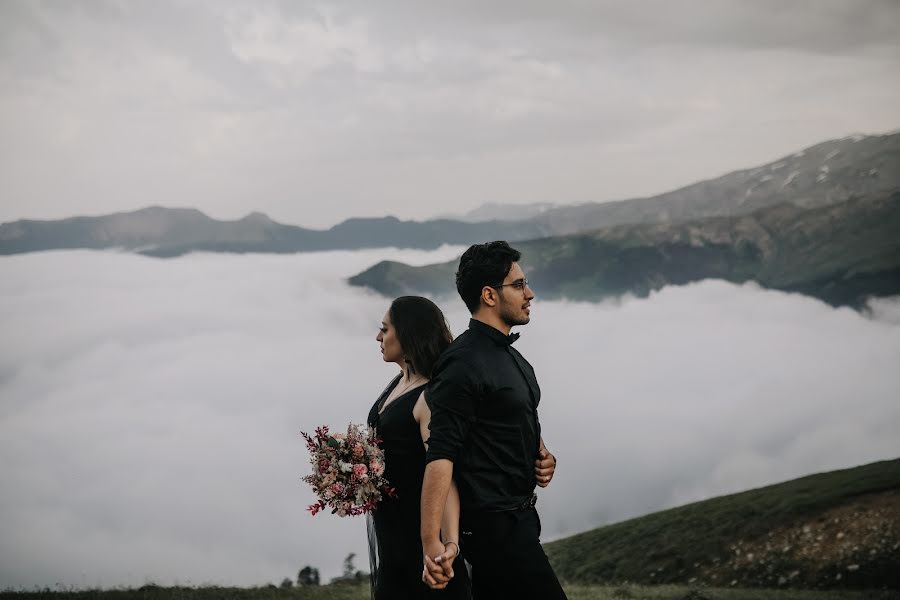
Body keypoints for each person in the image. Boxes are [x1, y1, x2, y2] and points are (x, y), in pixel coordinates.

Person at [420, 241, 566, 599]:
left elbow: (515, 418)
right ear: (489, 295)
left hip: (522, 521)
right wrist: (431, 542)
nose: (529, 293)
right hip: (493, 530)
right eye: (518, 285)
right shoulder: (461, 364)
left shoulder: (514, 358)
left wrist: (543, 456)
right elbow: (440, 455)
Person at [367, 296, 472, 600]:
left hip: (417, 529)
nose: (378, 337)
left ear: (409, 333)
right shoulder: (398, 381)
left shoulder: (431, 396)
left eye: (384, 329)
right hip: (393, 529)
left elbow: (444, 469)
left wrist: (446, 542)